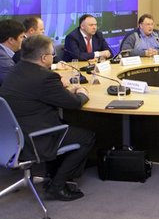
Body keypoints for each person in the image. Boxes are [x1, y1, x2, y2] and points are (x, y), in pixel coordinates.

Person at [0, 35, 95, 201]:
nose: (54, 57)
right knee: (87, 137)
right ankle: (57, 186)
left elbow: (37, 94)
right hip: (34, 139)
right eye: (53, 54)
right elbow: (73, 103)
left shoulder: (16, 70)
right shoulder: (45, 77)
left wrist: (62, 90)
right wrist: (81, 92)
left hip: (11, 138)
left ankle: (53, 174)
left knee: (65, 124)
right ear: (44, 58)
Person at [0, 19, 25, 85]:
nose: (23, 40)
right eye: (21, 37)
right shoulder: (3, 59)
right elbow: (16, 84)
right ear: (11, 40)